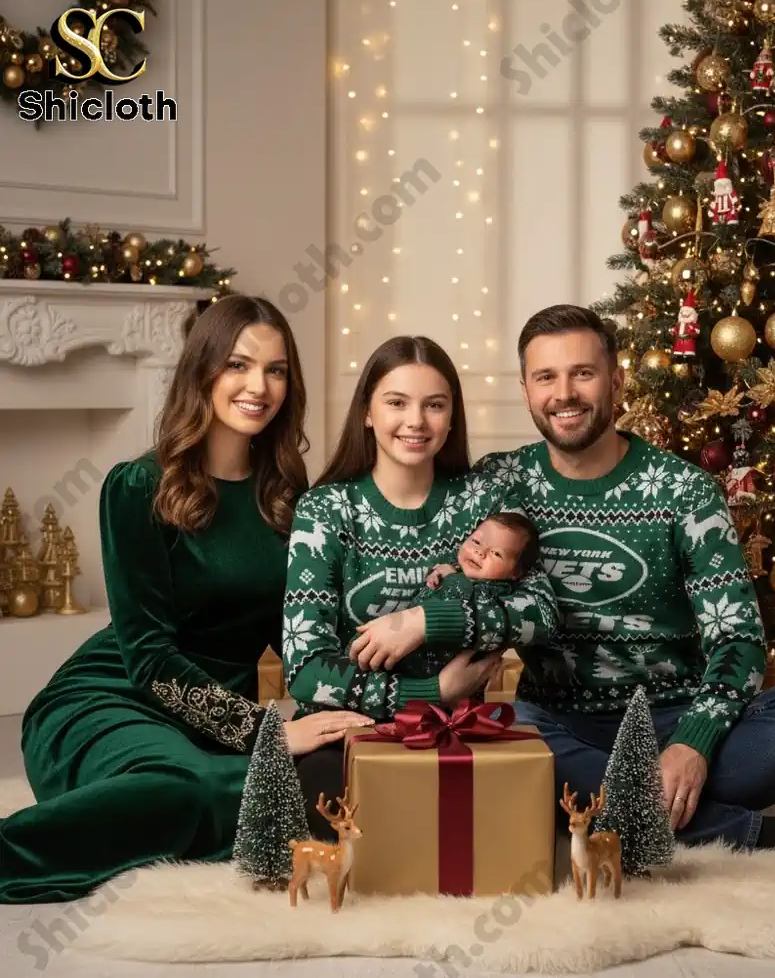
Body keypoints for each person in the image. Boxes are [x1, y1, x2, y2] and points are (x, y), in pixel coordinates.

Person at [475, 304, 775, 856]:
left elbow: (738, 639)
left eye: (583, 373)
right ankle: (750, 835)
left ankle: (598, 806)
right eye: (546, 376)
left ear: (616, 381)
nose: (564, 393)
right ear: (526, 389)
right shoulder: (497, 485)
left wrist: (693, 742)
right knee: (502, 727)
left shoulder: (683, 491)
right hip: (559, 722)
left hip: (672, 717)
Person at [0, 296, 373, 904]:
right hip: (111, 698)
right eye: (238, 365)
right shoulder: (140, 485)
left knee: (300, 789)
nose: (259, 386)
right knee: (199, 787)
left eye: (276, 370)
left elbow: (300, 634)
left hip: (211, 729)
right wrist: (268, 734)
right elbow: (147, 656)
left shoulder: (286, 492)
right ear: (202, 371)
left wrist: (375, 690)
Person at [284, 336, 559, 840]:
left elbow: (542, 613)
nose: (416, 421)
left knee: (520, 822)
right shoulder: (325, 510)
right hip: (351, 730)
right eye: (397, 403)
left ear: (452, 418)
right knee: (340, 821)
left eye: (434, 405)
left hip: (461, 729)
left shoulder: (486, 499)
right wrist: (431, 692)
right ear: (367, 412)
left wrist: (425, 622)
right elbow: (305, 671)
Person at [350, 511, 541, 675]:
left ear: (516, 572)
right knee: (359, 648)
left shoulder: (496, 592)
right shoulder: (455, 571)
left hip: (433, 671)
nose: (479, 553)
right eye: (476, 541)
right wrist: (436, 576)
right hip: (407, 654)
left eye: (496, 553)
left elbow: (467, 602)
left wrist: (452, 579)